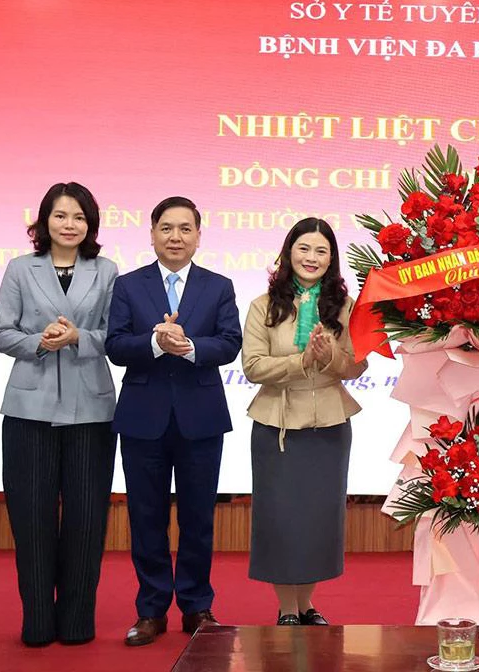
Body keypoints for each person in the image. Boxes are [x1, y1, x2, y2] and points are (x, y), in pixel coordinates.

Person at [105, 196, 242, 646]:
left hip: (200, 418)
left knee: (199, 518)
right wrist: (156, 342)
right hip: (143, 418)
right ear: (151, 234)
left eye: (185, 228)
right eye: (167, 228)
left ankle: (197, 606)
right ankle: (150, 610)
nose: (176, 236)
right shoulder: (128, 285)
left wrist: (191, 348)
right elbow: (115, 345)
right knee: (146, 518)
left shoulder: (218, 286)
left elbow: (229, 343)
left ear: (199, 236)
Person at [0, 182, 118, 647]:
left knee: (87, 519)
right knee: (32, 517)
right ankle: (38, 619)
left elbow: (115, 336)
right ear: (45, 221)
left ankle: (78, 621)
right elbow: (1, 333)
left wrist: (79, 337)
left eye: (79, 217)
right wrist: (40, 342)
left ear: (91, 224)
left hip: (91, 410)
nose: (70, 225)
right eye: (61, 216)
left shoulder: (106, 270)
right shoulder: (21, 269)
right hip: (30, 408)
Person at [241, 218, 367, 625]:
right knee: (281, 519)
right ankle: (286, 609)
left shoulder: (345, 308)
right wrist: (303, 360)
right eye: (303, 249)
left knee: (318, 520)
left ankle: (309, 605)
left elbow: (356, 366)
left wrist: (329, 357)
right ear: (288, 252)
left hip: (330, 426)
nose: (311, 258)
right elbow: (254, 367)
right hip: (276, 427)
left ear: (331, 260)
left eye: (321, 251)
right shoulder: (263, 305)